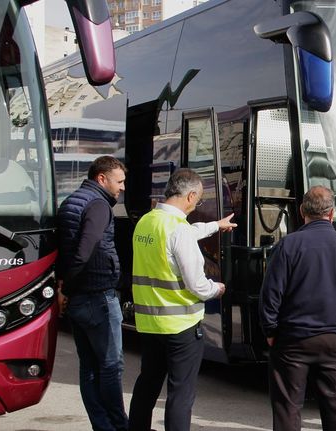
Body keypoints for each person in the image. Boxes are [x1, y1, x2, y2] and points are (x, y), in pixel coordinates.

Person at [127, 168, 236, 431]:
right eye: (198, 200)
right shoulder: (179, 230)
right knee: (181, 392)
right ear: (189, 196)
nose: (196, 205)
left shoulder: (147, 221)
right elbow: (197, 285)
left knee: (148, 383)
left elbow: (181, 236)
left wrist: (213, 226)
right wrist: (217, 289)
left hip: (150, 322)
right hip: (181, 326)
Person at [259, 185, 336, 431]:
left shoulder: (288, 245)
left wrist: (270, 330)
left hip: (292, 337)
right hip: (334, 337)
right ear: (331, 214)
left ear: (302, 211)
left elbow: (270, 294)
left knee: (288, 406)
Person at [56, 155, 128, 431]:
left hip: (78, 297)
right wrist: (69, 286)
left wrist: (65, 288)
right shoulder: (98, 205)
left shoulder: (72, 200)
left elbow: (65, 250)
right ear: (102, 178)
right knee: (111, 366)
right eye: (119, 181)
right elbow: (84, 251)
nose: (122, 187)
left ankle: (102, 425)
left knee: (88, 367)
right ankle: (118, 425)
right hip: (97, 295)